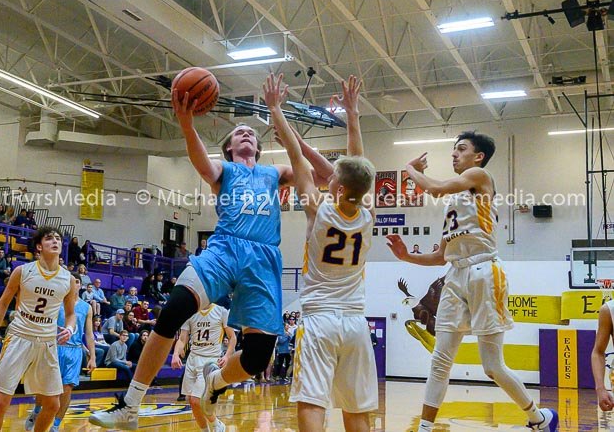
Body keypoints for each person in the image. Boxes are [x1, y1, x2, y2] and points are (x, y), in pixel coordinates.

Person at [90, 75, 332, 429]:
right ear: (230, 148)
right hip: (225, 249)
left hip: (264, 260)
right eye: (239, 133)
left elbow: (326, 176)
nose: (246, 133)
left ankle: (215, 382)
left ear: (258, 148)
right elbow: (202, 164)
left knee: (257, 356)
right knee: (173, 311)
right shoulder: (224, 170)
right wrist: (187, 123)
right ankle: (130, 404)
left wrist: (296, 140)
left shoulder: (274, 173)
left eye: (251, 133)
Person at [385, 131, 558, 432]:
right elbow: (440, 256)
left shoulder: (480, 176)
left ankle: (538, 418)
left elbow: (434, 188)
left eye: (461, 149)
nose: (454, 154)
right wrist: (407, 256)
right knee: (440, 359)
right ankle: (424, 428)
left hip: (484, 271)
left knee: (492, 367)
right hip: (455, 274)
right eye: (453, 149)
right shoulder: (454, 202)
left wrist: (409, 169)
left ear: (478, 156)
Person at [271, 73, 377, 431]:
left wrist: (276, 110)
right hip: (356, 320)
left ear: (340, 187)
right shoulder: (368, 213)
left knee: (312, 400)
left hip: (319, 318)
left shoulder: (318, 209)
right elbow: (357, 163)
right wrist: (353, 114)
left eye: (332, 178)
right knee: (356, 408)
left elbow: (296, 158)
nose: (327, 177)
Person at [0, 227, 76, 432]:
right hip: (19, 336)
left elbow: (71, 314)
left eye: (58, 238)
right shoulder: (23, 271)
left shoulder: (68, 279)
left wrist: (70, 329)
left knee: (53, 404)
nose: (55, 241)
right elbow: (3, 303)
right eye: (49, 238)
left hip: (47, 341)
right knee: (0, 403)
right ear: (39, 246)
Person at [25, 275, 96, 432]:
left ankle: (56, 426)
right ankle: (36, 411)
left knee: (67, 388)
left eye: (77, 282)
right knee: (45, 387)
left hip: (75, 351)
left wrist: (93, 356)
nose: (74, 284)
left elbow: (89, 334)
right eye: (71, 281)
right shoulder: (56, 302)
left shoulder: (87, 307)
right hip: (55, 347)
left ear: (80, 285)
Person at [171, 303, 236, 432]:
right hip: (192, 359)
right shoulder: (190, 312)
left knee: (197, 400)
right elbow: (182, 338)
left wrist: (227, 356)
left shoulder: (221, 311)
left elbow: (232, 337)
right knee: (191, 401)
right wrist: (175, 354)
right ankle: (205, 430)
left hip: (210, 360)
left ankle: (217, 424)